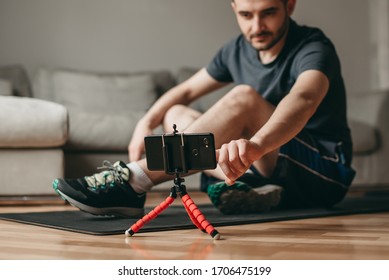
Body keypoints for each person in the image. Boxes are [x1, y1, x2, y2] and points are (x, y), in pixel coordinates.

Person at [53, 0, 356, 217]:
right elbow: (184, 90)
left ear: (290, 5)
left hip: (323, 172)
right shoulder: (236, 49)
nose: (257, 26)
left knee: (244, 98)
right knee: (175, 114)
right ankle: (248, 184)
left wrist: (256, 146)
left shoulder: (314, 47)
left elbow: (303, 99)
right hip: (267, 167)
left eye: (269, 13)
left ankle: (135, 180)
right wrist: (145, 123)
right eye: (247, 14)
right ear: (234, 8)